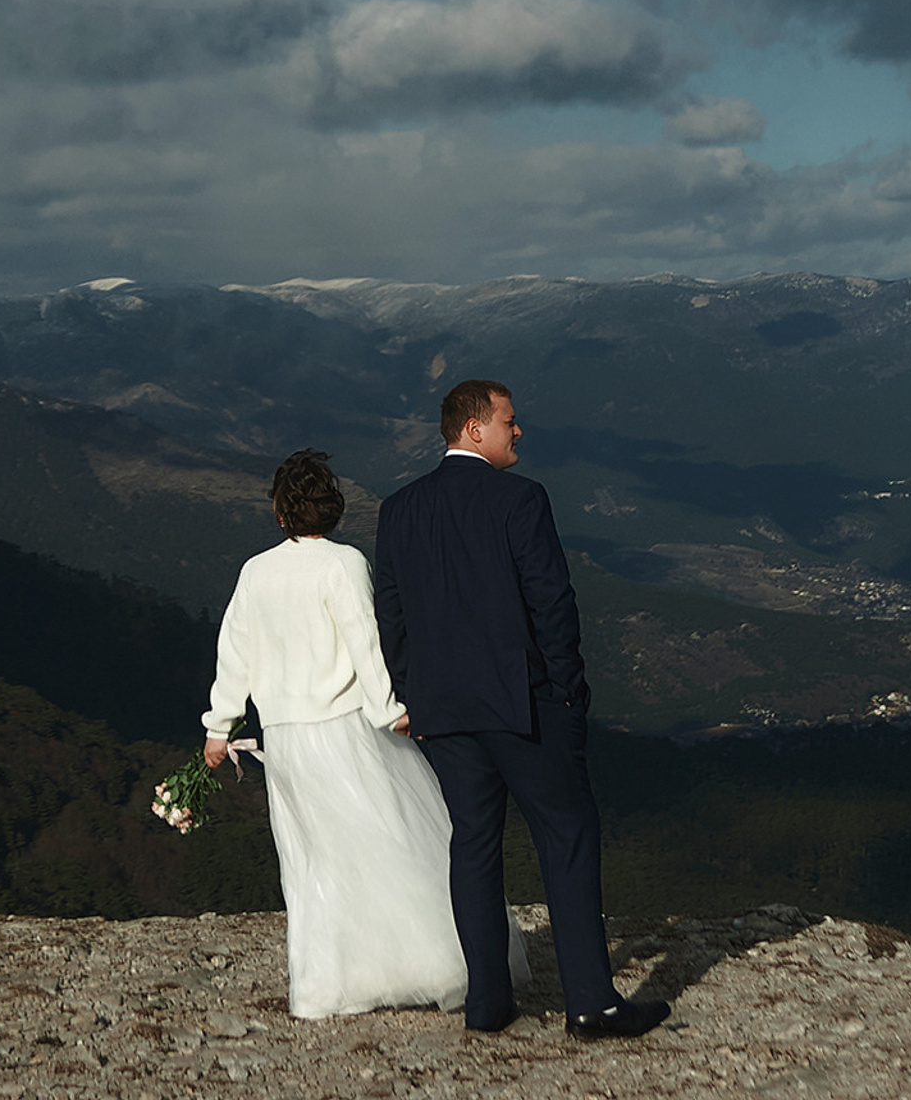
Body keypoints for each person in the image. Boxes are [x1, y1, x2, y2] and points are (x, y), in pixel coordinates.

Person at [372, 379, 670, 1042]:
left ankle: (487, 1003)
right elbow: (553, 606)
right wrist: (567, 693)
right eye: (510, 421)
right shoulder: (521, 500)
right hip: (523, 707)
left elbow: (389, 616)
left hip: (442, 712)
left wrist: (412, 694)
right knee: (566, 837)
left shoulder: (399, 510)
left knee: (473, 846)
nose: (519, 431)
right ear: (474, 429)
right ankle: (591, 1001)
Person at [202, 448, 527, 1020]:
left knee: (315, 860)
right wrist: (389, 709)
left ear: (280, 514)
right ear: (330, 510)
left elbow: (235, 653)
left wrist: (219, 727)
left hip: (286, 740)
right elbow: (366, 643)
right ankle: (440, 965)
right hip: (347, 728)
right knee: (393, 841)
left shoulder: (255, 571)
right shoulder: (344, 563)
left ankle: (329, 984)